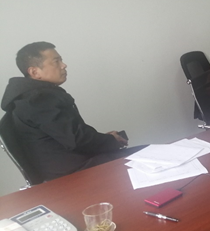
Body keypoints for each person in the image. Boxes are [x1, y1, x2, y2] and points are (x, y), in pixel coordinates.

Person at [0, 42, 145, 182]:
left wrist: (104, 139)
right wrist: (111, 141)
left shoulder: (28, 98)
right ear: (34, 72)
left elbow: (70, 136)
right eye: (56, 61)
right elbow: (77, 140)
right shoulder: (38, 100)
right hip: (74, 173)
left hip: (67, 167)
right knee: (150, 154)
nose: (64, 65)